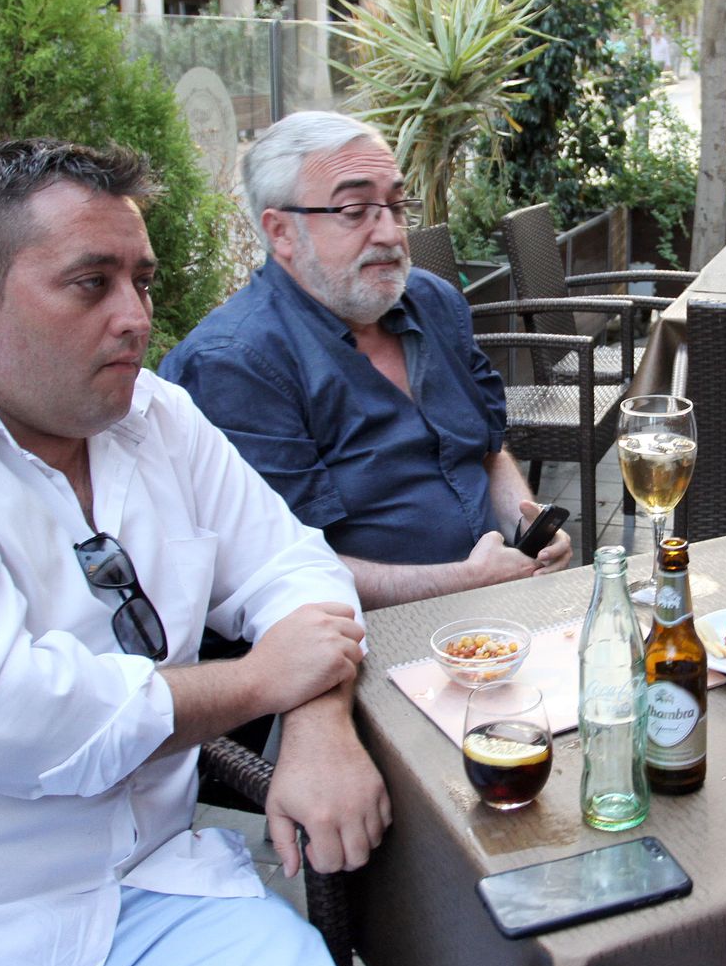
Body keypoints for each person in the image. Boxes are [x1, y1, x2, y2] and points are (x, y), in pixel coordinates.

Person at [0, 139, 397, 966]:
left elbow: (296, 567)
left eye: (143, 279)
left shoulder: (156, 417)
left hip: (155, 907)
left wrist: (317, 726)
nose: (135, 316)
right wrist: (255, 685)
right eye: (92, 283)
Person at [160, 112, 572, 610]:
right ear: (282, 232)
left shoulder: (434, 302)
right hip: (364, 636)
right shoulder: (234, 364)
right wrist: (462, 581)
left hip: (494, 604)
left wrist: (526, 521)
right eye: (355, 210)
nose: (391, 234)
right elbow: (273, 570)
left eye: (397, 206)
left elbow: (485, 451)